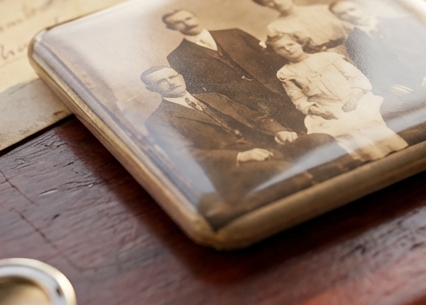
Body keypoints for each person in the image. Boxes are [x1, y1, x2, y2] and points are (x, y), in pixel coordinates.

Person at [141, 66, 342, 213]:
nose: (171, 82)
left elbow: (256, 117)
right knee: (278, 169)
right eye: (161, 82)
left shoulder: (214, 97)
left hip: (269, 147)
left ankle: (347, 184)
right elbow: (185, 155)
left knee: (320, 140)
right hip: (232, 168)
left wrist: (279, 130)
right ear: (152, 90)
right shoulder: (159, 120)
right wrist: (241, 156)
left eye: (172, 76)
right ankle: (319, 209)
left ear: (180, 75)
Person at [329, 0, 426, 126]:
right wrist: (390, 86)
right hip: (408, 86)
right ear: (339, 19)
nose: (349, 15)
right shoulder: (353, 42)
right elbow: (367, 68)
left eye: (351, 9)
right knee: (390, 112)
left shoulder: (402, 23)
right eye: (343, 14)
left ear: (361, 6)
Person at [268, 32, 408, 162]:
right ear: (276, 52)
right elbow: (298, 100)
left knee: (366, 119)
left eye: (290, 44)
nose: (288, 49)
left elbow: (357, 78)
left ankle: (399, 155)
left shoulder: (328, 57)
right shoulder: (285, 73)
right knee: (343, 127)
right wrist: (318, 111)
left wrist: (354, 98)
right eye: (281, 48)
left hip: (356, 98)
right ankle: (368, 160)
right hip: (326, 108)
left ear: (300, 43)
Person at [161, 8, 305, 132]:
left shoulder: (234, 33)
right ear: (172, 28)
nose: (187, 23)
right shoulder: (178, 56)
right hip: (244, 105)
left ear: (195, 17)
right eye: (179, 22)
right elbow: (198, 90)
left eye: (188, 17)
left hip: (279, 89)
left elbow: (270, 58)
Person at [251, 0, 347, 52]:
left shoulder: (322, 9)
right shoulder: (274, 27)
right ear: (267, 6)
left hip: (348, 47)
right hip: (321, 60)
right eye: (269, 2)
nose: (276, 2)